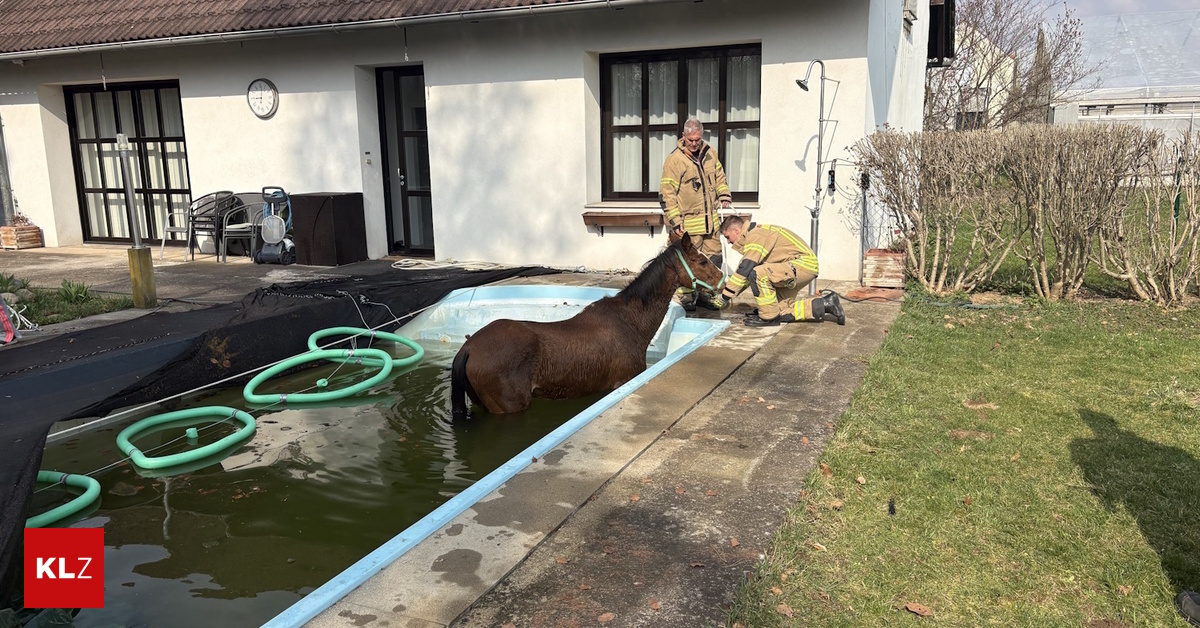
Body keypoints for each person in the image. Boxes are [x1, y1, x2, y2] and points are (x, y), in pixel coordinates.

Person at [711, 215, 845, 327]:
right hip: (800, 267)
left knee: (758, 274)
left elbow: (745, 269)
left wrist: (723, 298)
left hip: (802, 265)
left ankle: (768, 318)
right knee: (780, 311)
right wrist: (727, 294)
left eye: (728, 237)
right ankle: (828, 304)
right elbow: (744, 276)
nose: (728, 242)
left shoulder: (756, 234)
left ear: (736, 231)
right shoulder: (756, 236)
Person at [659, 118, 731, 311]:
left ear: (702, 136)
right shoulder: (675, 160)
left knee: (714, 259)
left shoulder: (710, 154)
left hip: (711, 223)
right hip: (688, 225)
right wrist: (675, 220)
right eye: (690, 139)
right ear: (683, 136)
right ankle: (687, 298)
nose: (694, 143)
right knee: (685, 263)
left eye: (697, 139)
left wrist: (724, 194)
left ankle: (705, 296)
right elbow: (667, 192)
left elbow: (720, 177)